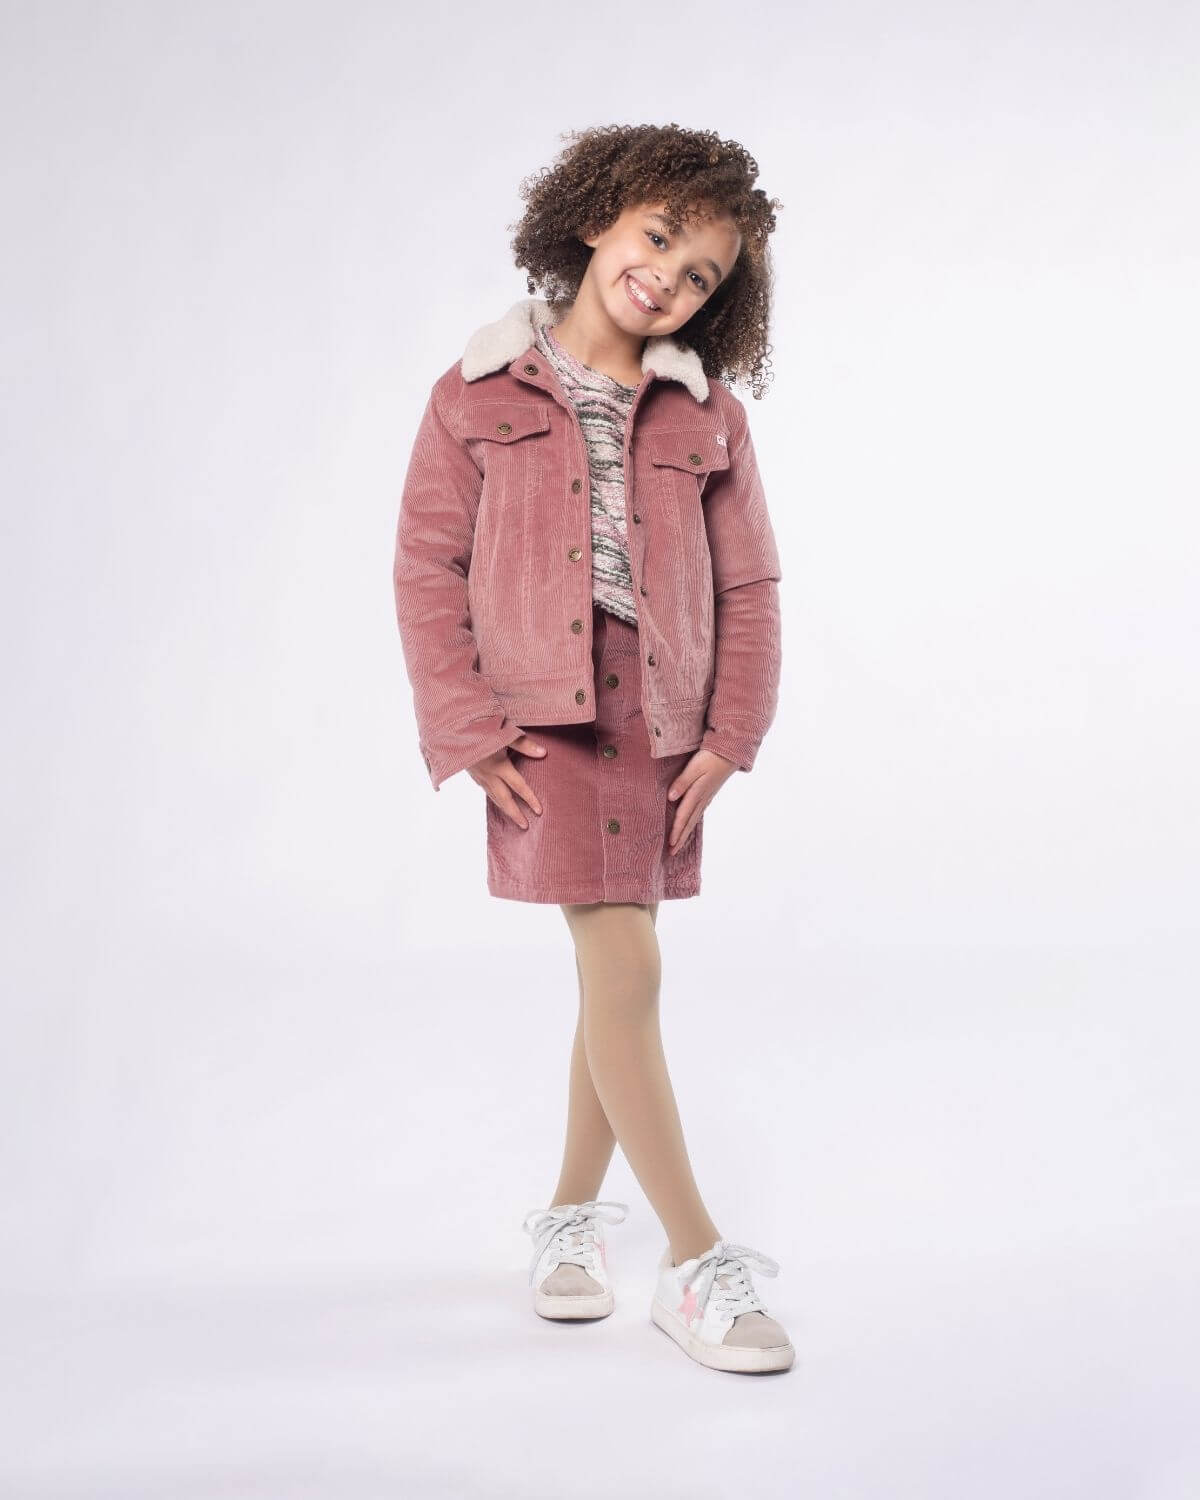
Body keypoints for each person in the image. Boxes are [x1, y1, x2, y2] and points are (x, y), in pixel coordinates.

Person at [392, 122, 792, 1374]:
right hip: (542, 722)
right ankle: (694, 1262)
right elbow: (426, 568)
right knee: (626, 967)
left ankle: (569, 1224)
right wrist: (465, 727)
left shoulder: (710, 416)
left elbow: (751, 583)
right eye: (657, 237)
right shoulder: (474, 395)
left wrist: (734, 730)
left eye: (701, 274)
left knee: (614, 982)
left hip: (663, 721)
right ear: (594, 217)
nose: (668, 276)